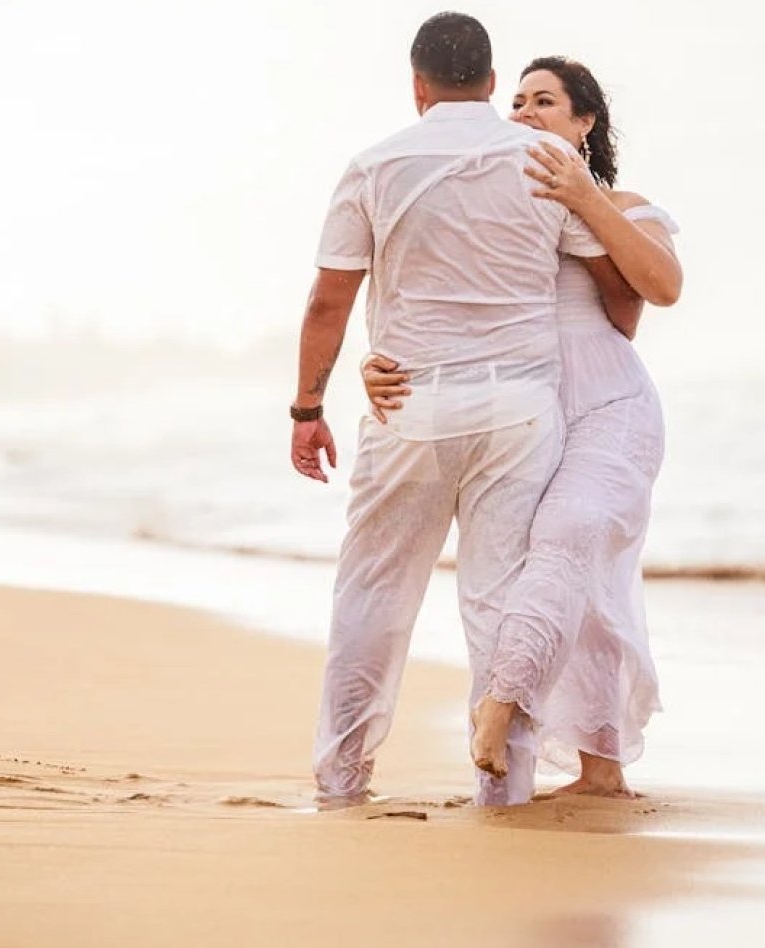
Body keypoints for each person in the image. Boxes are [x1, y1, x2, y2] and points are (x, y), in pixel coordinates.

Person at [289, 13, 609, 808]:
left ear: (418, 84)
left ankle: (341, 778)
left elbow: (330, 298)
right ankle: (505, 790)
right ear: (495, 83)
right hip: (518, 411)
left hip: (410, 407)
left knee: (374, 594)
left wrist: (307, 407)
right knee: (497, 599)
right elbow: (612, 288)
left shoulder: (375, 165)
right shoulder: (549, 160)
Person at [362, 55, 682, 801]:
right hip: (524, 409)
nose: (526, 113)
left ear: (584, 121)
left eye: (545, 102)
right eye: (518, 102)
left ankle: (502, 703)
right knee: (578, 582)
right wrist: (376, 365)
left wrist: (583, 194)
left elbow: (653, 294)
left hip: (610, 407)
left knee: (572, 533)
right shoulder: (505, 207)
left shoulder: (620, 203)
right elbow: (430, 297)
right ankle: (601, 772)